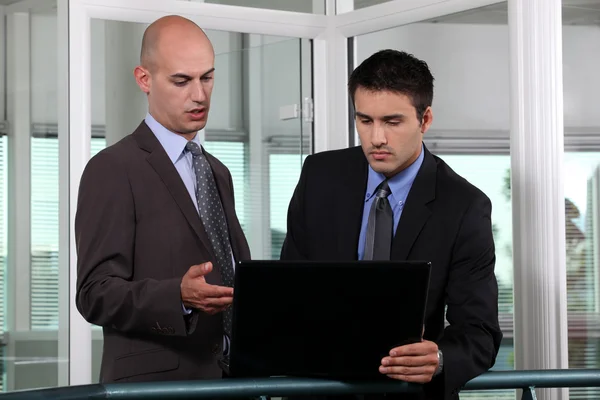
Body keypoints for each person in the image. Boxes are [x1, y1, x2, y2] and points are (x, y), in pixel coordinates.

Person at [280, 49, 502, 400]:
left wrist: (440, 358)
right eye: (365, 120)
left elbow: (480, 332)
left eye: (392, 121)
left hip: (407, 394)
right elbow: (288, 293)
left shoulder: (464, 206)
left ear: (425, 119)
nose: (376, 138)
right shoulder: (319, 176)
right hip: (316, 390)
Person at [75, 15, 250, 383]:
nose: (200, 95)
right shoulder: (112, 169)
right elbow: (95, 294)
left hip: (233, 383)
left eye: (207, 77)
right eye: (182, 80)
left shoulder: (218, 172)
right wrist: (178, 297)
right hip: (158, 387)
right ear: (144, 80)